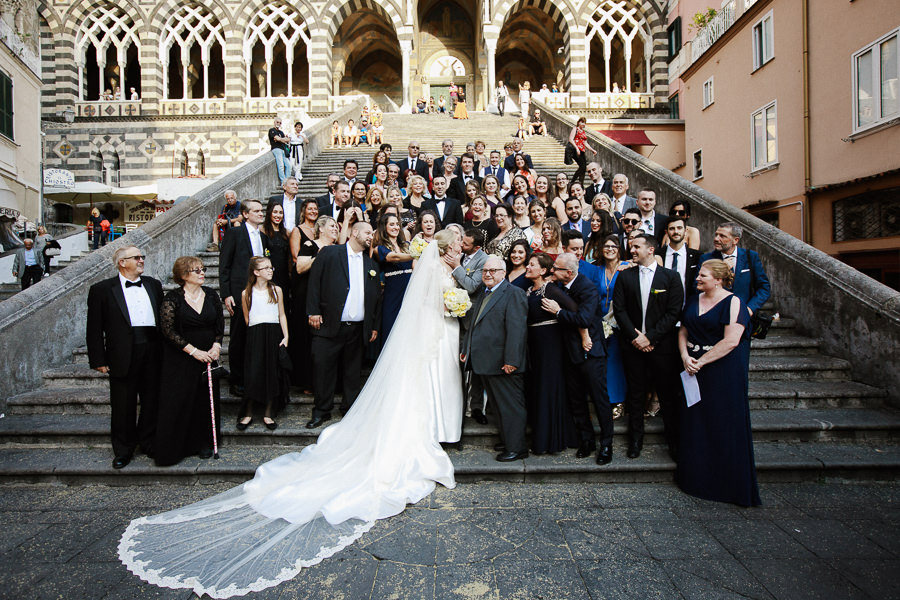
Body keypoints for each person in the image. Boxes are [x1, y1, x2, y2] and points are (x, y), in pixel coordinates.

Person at [678, 259, 761, 506]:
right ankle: (696, 478)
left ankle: (725, 483)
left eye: (702, 275)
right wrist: (685, 356)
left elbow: (731, 341)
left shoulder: (734, 302)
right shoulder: (694, 300)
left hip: (721, 369)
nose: (697, 279)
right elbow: (683, 331)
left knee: (722, 421)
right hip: (692, 366)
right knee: (697, 423)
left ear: (718, 279)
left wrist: (701, 361)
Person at [86, 246, 162, 469]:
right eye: (136, 257)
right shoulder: (102, 289)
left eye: (142, 257)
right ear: (122, 262)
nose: (141, 260)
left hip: (152, 349)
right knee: (123, 404)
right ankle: (123, 449)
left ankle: (148, 442)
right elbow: (94, 328)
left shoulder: (153, 285)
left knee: (152, 400)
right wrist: (98, 359)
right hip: (122, 352)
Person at [613, 233, 684, 460]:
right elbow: (620, 310)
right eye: (631, 247)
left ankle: (674, 442)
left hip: (661, 347)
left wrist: (650, 338)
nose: (632, 250)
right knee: (635, 395)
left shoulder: (671, 278)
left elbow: (673, 312)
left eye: (636, 247)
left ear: (651, 249)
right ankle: (635, 441)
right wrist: (636, 337)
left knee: (667, 395)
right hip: (632, 345)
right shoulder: (625, 277)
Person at [305, 222, 382, 428]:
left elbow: (375, 299)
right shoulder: (330, 253)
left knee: (352, 372)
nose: (370, 236)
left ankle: (349, 409)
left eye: (372, 233)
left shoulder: (371, 265)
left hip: (357, 329)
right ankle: (321, 411)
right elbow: (314, 282)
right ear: (354, 232)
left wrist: (373, 325)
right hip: (329, 323)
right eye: (367, 232)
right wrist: (313, 310)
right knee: (323, 369)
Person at [154, 256, 224, 466]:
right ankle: (179, 445)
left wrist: (216, 346)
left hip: (208, 356)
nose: (202, 273)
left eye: (202, 269)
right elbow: (167, 330)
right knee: (181, 399)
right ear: (184, 276)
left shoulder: (211, 295)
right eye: (197, 271)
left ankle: (204, 442)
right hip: (181, 357)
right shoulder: (173, 298)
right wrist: (194, 352)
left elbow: (219, 324)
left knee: (205, 400)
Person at [544, 253, 613, 464]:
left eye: (556, 268)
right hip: (570, 353)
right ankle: (586, 440)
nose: (552, 270)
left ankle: (607, 444)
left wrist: (558, 312)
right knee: (576, 400)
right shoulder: (559, 285)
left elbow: (584, 318)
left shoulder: (587, 287)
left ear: (569, 273)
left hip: (590, 353)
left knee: (599, 400)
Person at [462, 255, 528, 461]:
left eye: (493, 271)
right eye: (485, 271)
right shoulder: (485, 292)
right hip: (486, 361)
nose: (488, 274)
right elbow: (475, 325)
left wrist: (512, 361)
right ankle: (509, 440)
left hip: (504, 362)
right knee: (498, 406)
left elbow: (517, 330)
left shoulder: (513, 293)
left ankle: (517, 448)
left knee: (510, 406)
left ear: (503, 273)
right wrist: (467, 349)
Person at [523, 253, 579, 454]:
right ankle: (541, 436)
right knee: (537, 388)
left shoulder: (551, 290)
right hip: (534, 345)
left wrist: (557, 312)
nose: (527, 268)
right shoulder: (529, 291)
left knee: (548, 388)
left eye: (532, 265)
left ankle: (551, 440)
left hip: (550, 345)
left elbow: (574, 310)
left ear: (544, 270)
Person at [219, 200, 269, 395]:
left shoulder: (263, 238)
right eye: (256, 211)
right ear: (245, 214)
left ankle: (254, 377)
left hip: (260, 293)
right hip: (239, 293)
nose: (260, 213)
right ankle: (237, 380)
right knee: (239, 337)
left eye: (261, 210)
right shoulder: (234, 233)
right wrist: (226, 294)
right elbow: (224, 265)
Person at [239, 256, 290, 431]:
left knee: (272, 372)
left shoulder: (277, 290)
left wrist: (286, 335)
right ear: (256, 272)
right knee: (253, 372)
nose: (270, 270)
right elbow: (247, 318)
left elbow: (281, 314)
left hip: (274, 333)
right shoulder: (246, 293)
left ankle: (268, 414)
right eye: (266, 268)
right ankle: (248, 413)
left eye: (271, 267)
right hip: (255, 335)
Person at [291, 214, 337, 393]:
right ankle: (308, 382)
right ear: (321, 229)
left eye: (336, 227)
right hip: (308, 298)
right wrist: (321, 255)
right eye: (332, 226)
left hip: (328, 300)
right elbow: (300, 268)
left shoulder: (336, 248)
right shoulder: (310, 245)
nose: (335, 229)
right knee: (308, 342)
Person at [698, 222, 770, 316]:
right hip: (715, 315)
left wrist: (750, 309)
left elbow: (764, 287)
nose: (716, 239)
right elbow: (697, 287)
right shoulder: (706, 259)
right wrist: (721, 268)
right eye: (716, 235)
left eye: (722, 236)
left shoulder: (751, 257)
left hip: (743, 316)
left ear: (735, 240)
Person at [597, 235, 627, 418]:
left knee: (615, 361)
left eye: (613, 246)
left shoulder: (626, 267)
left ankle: (618, 400)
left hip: (618, 321)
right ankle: (601, 398)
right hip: (598, 319)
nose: (609, 249)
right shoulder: (596, 269)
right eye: (606, 246)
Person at [373, 213, 414, 341]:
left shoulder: (407, 245)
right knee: (391, 327)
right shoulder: (379, 247)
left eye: (397, 224)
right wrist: (416, 254)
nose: (396, 227)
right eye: (391, 224)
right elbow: (393, 257)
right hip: (392, 292)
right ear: (384, 227)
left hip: (410, 289)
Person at [659, 216, 702, 300]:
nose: (676, 232)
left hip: (687, 305)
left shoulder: (697, 256)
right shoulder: (658, 255)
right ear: (666, 232)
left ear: (685, 231)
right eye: (672, 229)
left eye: (679, 228)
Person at [262, 202, 292, 295]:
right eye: (275, 212)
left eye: (280, 212)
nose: (278, 215)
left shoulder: (287, 233)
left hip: (284, 274)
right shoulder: (262, 231)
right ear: (269, 213)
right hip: (268, 273)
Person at [568, 117, 597, 186]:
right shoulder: (575, 129)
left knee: (583, 168)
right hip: (576, 150)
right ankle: (572, 182)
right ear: (579, 122)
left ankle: (581, 184)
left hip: (582, 150)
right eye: (582, 122)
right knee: (582, 166)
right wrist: (577, 148)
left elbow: (585, 143)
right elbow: (571, 139)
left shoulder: (583, 132)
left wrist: (592, 150)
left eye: (584, 123)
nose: (583, 124)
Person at [268, 117, 291, 185]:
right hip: (276, 149)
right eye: (277, 122)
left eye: (280, 123)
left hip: (283, 149)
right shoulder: (271, 130)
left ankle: (287, 181)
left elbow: (288, 140)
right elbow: (277, 138)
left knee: (288, 165)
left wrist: (280, 139)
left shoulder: (281, 132)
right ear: (274, 122)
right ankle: (283, 182)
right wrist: (283, 139)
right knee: (280, 165)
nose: (278, 124)